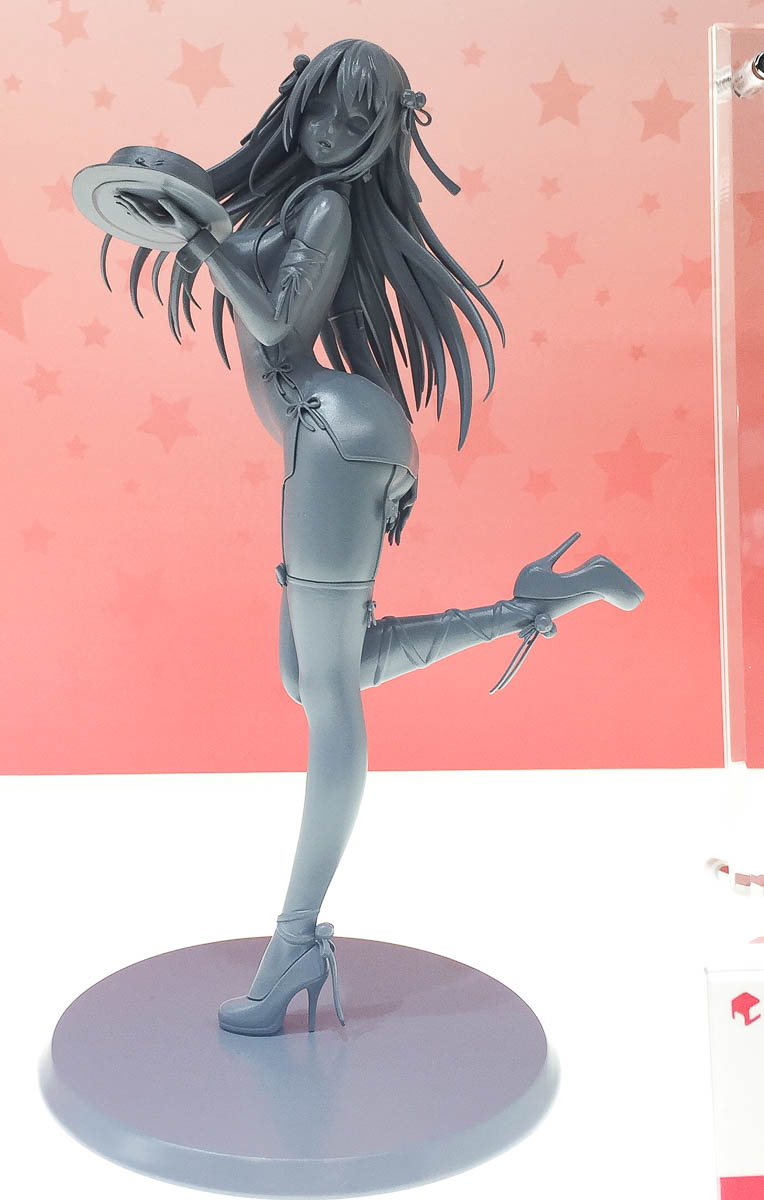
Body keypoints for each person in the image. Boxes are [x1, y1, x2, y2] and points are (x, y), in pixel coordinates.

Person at [106, 39, 644, 1036]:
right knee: (316, 675)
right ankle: (541, 601)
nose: (333, 132)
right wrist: (193, 223)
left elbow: (277, 324)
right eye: (322, 109)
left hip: (334, 443)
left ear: (386, 133)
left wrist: (203, 243)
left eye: (359, 119)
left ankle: (294, 942)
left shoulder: (324, 206)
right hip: (326, 443)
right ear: (295, 104)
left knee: (330, 698)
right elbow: (258, 292)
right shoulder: (303, 199)